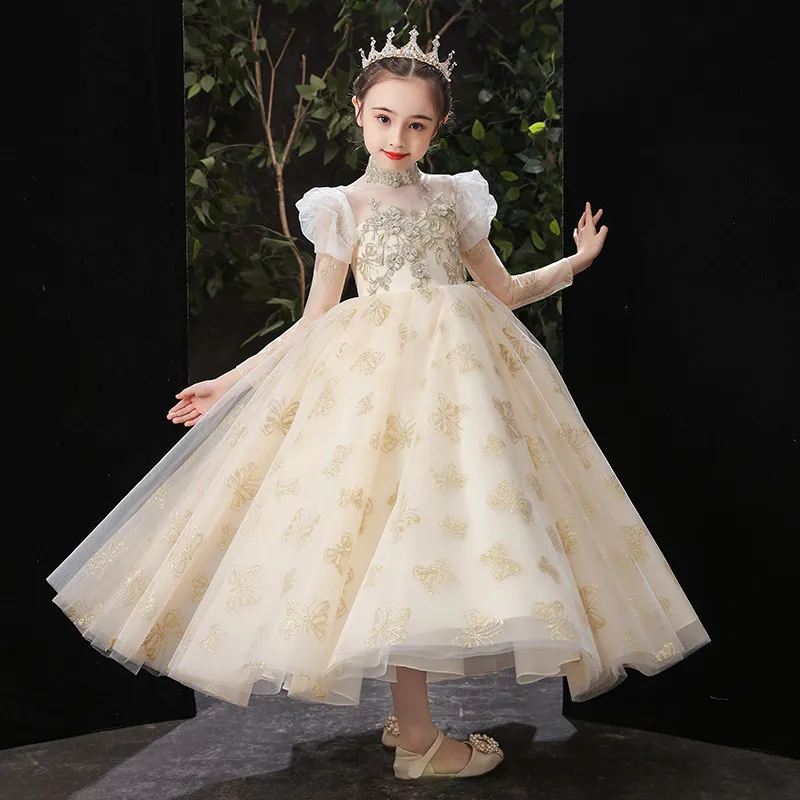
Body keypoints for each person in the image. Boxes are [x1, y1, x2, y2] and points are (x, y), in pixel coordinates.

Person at [46, 25, 711, 783]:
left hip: (462, 387)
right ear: (359, 112)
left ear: (438, 128)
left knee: (427, 534)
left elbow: (501, 291)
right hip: (376, 391)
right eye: (385, 118)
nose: (398, 138)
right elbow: (315, 320)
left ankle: (414, 724)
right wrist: (230, 382)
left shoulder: (453, 198)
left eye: (417, 124)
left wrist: (578, 263)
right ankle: (420, 737)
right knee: (382, 531)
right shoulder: (342, 208)